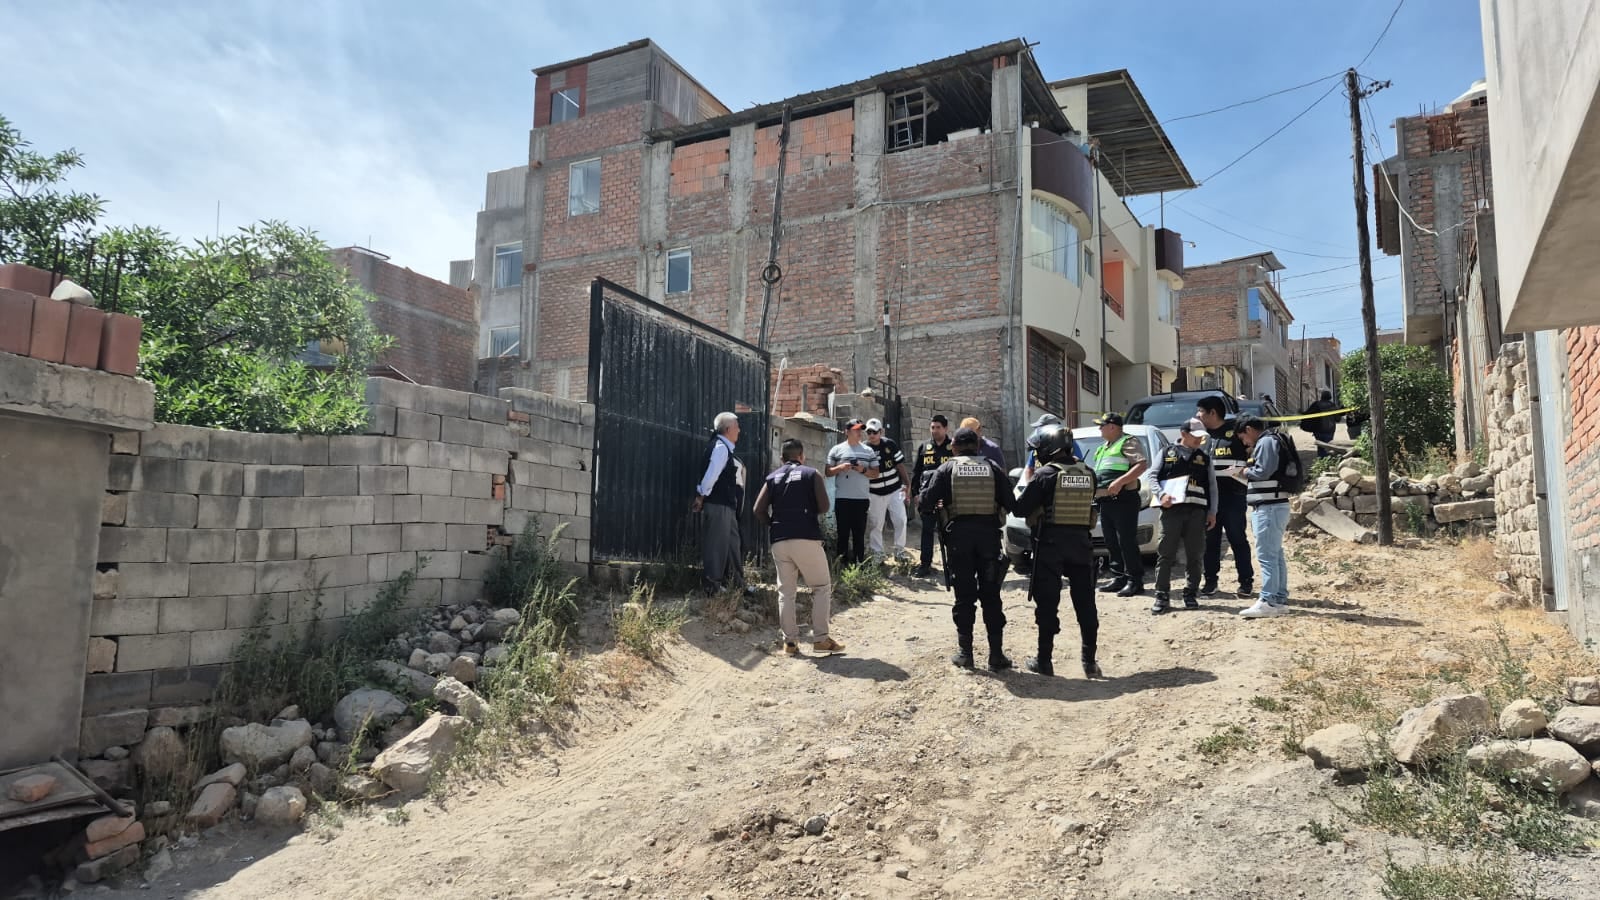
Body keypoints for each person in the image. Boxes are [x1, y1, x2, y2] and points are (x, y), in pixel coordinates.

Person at [919, 427, 1016, 671]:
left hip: (959, 540)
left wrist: (933, 498)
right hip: (989, 539)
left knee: (964, 597)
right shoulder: (993, 468)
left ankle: (966, 653)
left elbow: (926, 504)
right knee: (991, 597)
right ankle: (996, 655)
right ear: (977, 446)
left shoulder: (947, 469)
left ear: (954, 447)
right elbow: (1012, 504)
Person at [1012, 424, 1102, 678]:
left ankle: (1044, 661)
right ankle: (1090, 662)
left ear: (1049, 448)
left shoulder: (1045, 475)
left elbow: (1020, 509)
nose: (1038, 454)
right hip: (1082, 546)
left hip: (1050, 546)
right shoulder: (1089, 473)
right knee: (1086, 604)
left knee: (1048, 603)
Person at [753, 439, 843, 656]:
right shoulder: (811, 473)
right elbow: (824, 506)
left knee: (786, 592)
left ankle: (790, 642)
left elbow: (758, 509)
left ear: (782, 458)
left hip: (779, 540)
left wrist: (773, 523)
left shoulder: (772, 477)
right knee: (821, 587)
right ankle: (821, 639)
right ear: (801, 456)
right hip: (805, 536)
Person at [1150, 418, 1218, 614]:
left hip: (1197, 513)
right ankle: (1162, 595)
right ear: (1184, 434)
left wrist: (1212, 512)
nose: (1199, 441)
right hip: (1172, 511)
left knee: (1195, 555)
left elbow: (1212, 488)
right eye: (1195, 437)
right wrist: (1161, 494)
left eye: (1201, 437)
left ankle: (1191, 593)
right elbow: (1153, 476)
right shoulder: (1166, 453)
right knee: (1165, 554)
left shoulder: (1204, 459)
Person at [1195, 396, 1254, 599]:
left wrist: (1236, 471)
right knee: (1210, 542)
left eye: (1201, 411)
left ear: (1212, 412)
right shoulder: (1202, 437)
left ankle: (1246, 582)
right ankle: (1210, 582)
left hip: (1233, 497)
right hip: (1210, 500)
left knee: (1237, 539)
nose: (1197, 415)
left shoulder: (1236, 430)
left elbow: (1253, 457)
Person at [1088, 413, 1148, 597]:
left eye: (1102, 425)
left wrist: (1120, 482)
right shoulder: (1102, 448)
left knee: (1126, 541)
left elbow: (1141, 465)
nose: (1100, 429)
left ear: (1113, 427)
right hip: (1105, 501)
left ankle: (1134, 581)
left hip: (1123, 500)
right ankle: (1119, 577)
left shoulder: (1128, 442)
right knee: (1111, 542)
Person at [1237, 416, 1292, 618]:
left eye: (1243, 437)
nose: (1245, 443)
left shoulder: (1267, 441)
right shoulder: (1272, 440)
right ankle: (1278, 598)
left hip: (1268, 507)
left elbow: (1263, 471)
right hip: (1274, 506)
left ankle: (1268, 600)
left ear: (1250, 429)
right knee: (1275, 554)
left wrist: (1243, 471)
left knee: (1267, 555)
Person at [693, 412, 746, 594]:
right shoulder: (720, 448)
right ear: (728, 429)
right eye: (737, 426)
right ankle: (712, 586)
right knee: (716, 545)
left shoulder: (723, 447)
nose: (739, 430)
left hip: (726, 506)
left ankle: (737, 584)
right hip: (718, 505)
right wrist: (701, 495)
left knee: (732, 543)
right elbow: (711, 475)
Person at [824, 419, 878, 566]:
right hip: (843, 498)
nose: (859, 432)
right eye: (856, 429)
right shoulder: (836, 450)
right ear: (847, 432)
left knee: (859, 535)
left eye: (860, 429)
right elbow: (828, 472)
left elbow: (876, 473)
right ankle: (841, 564)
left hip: (861, 498)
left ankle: (859, 563)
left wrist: (863, 470)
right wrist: (840, 468)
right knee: (843, 534)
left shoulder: (868, 451)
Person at [911, 415, 955, 579]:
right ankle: (925, 564)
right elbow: (916, 472)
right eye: (932, 427)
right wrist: (915, 494)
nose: (935, 430)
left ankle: (952, 566)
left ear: (945, 429)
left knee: (949, 533)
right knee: (927, 531)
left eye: (938, 427)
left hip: (948, 499)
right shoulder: (924, 447)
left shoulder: (953, 447)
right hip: (928, 497)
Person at [864, 417, 911, 561]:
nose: (872, 435)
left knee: (901, 520)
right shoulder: (864, 449)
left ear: (881, 431)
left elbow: (900, 466)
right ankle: (878, 554)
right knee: (876, 524)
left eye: (875, 432)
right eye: (869, 432)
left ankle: (899, 551)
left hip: (895, 490)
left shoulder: (890, 444)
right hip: (875, 493)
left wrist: (907, 485)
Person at [1023, 413, 1085, 481]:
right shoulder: (1038, 447)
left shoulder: (1069, 443)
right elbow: (1029, 469)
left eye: (1041, 427)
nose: (1038, 430)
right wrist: (1030, 484)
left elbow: (1079, 468)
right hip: (1042, 484)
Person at [1301, 390, 1341, 458]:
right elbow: (1338, 419)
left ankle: (1321, 460)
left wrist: (1301, 412)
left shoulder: (1316, 404)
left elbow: (1307, 414)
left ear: (1321, 397)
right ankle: (1327, 461)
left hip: (1318, 430)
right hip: (1330, 430)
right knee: (1329, 446)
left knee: (1320, 447)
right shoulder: (1333, 406)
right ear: (1330, 397)